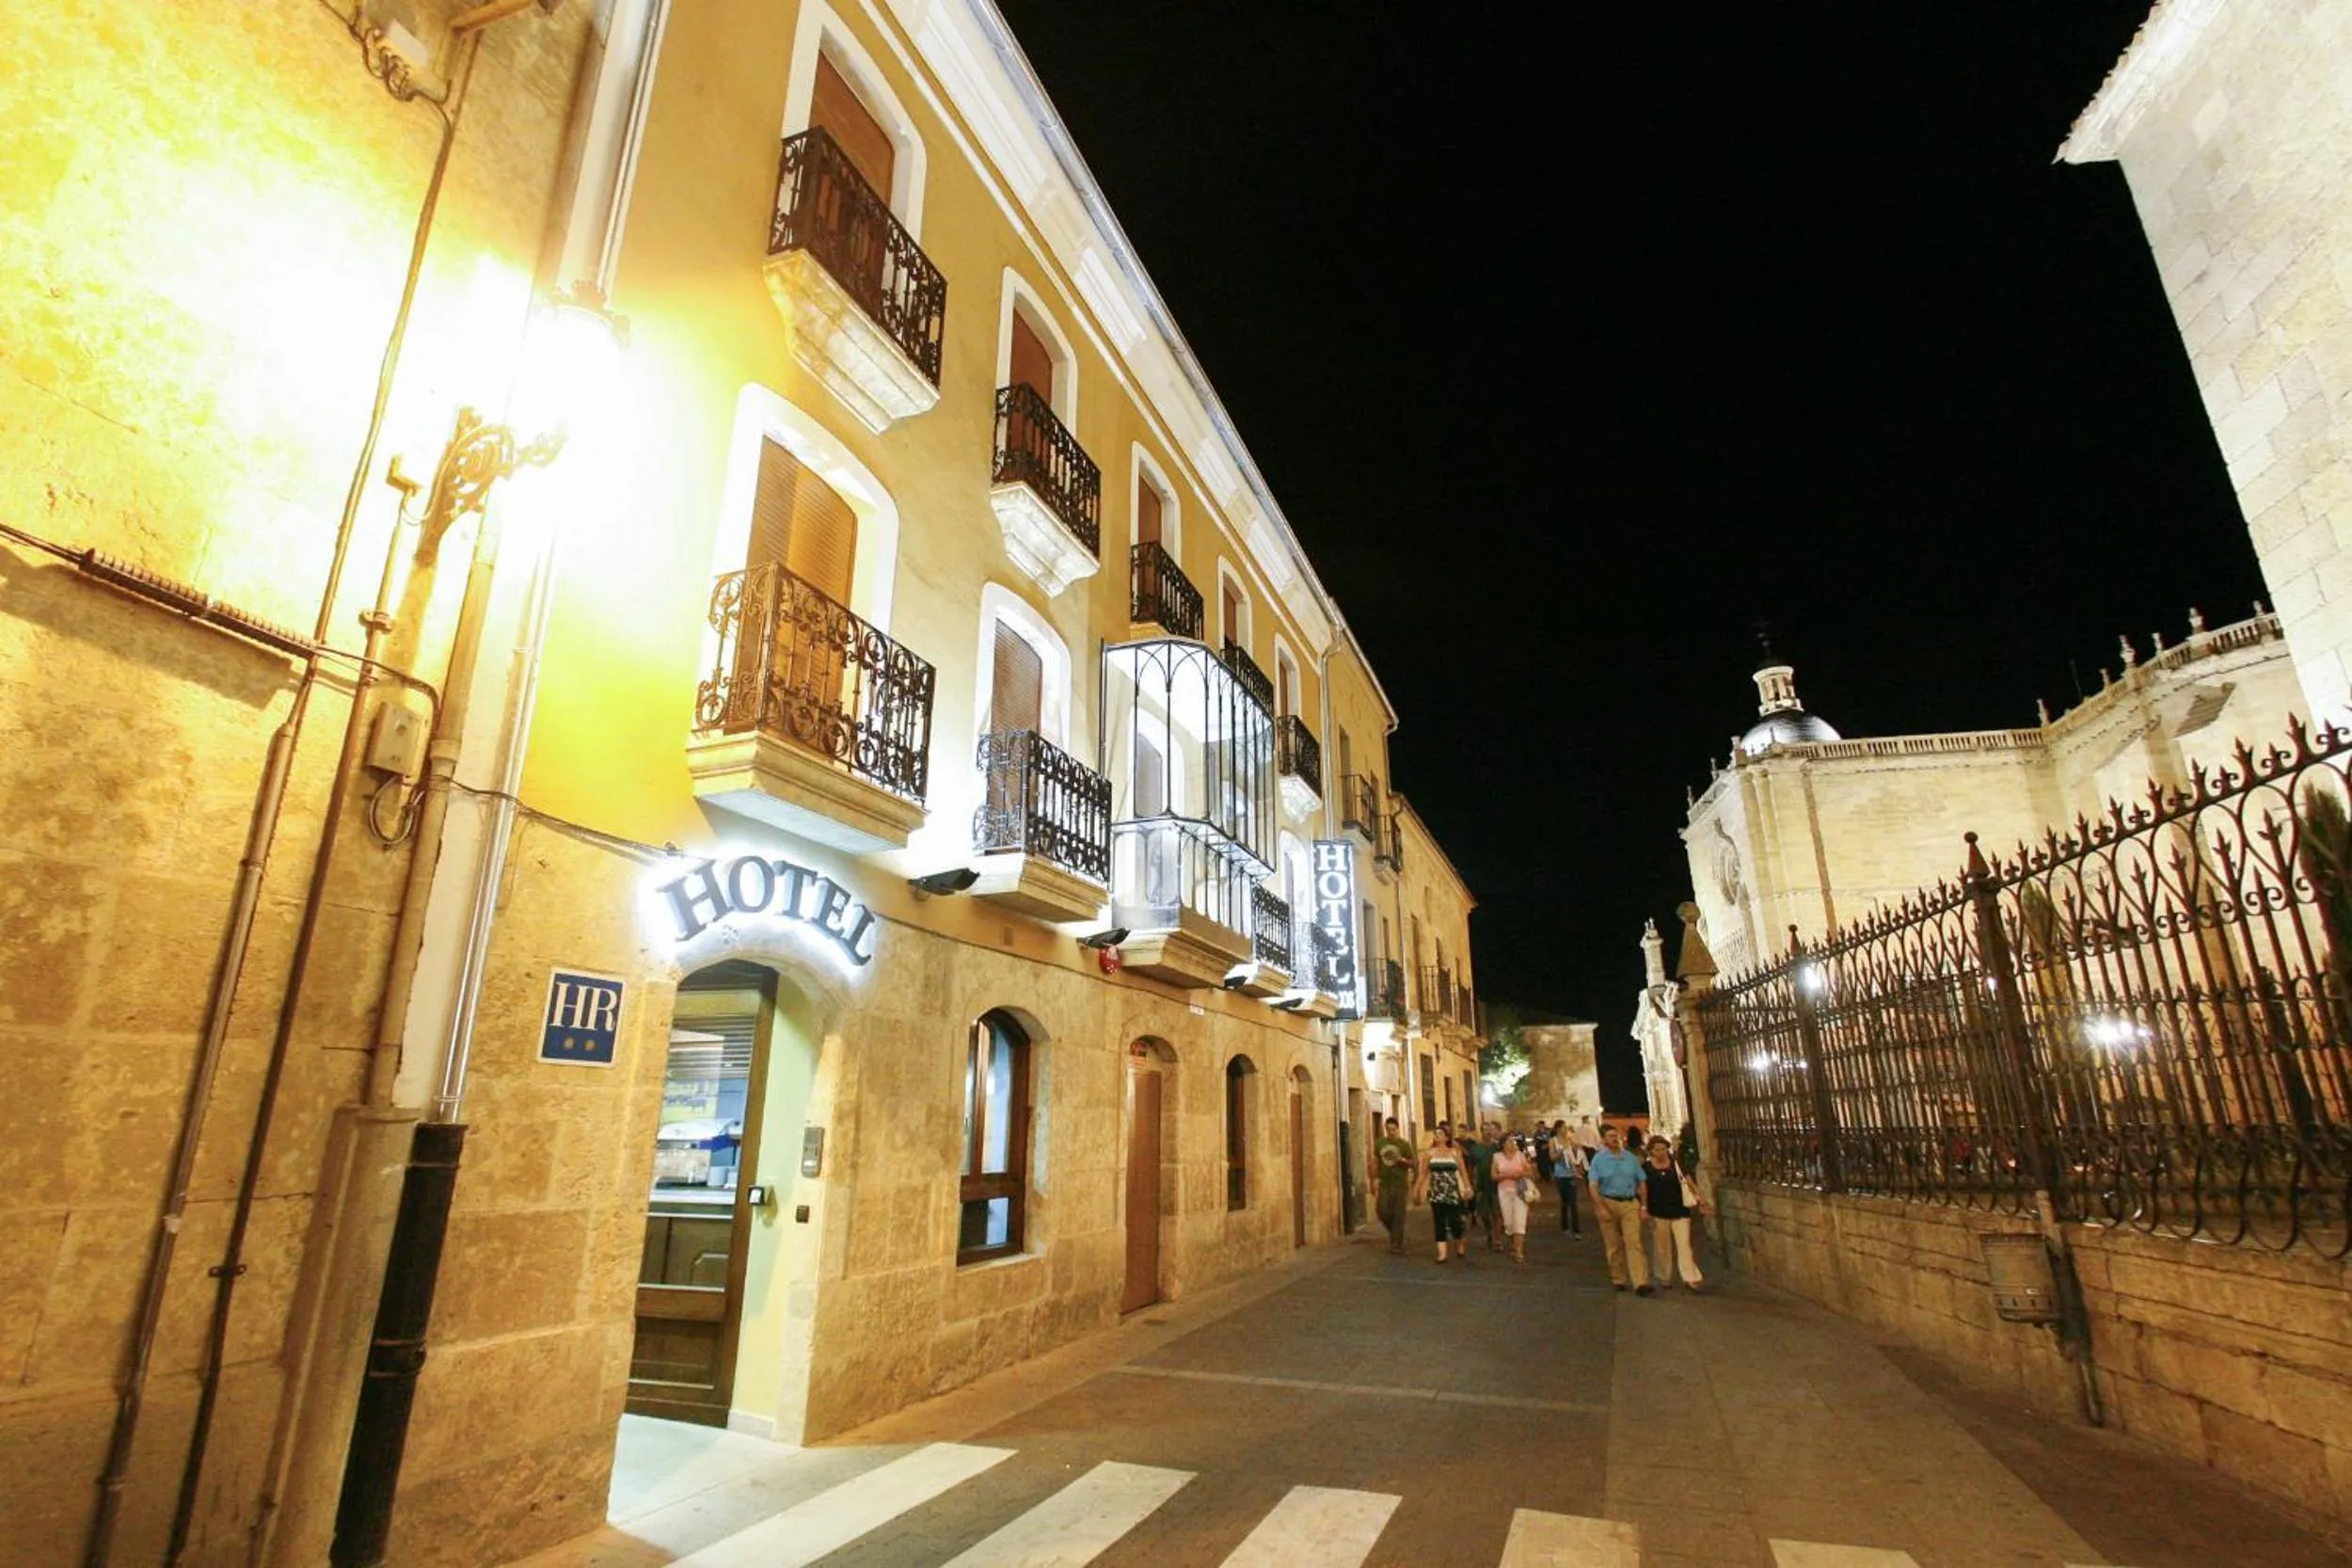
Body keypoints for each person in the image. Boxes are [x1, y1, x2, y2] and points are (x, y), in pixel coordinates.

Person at [1587, 1123, 1650, 1293]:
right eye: (1611, 1136)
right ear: (1604, 1140)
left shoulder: (1630, 1158)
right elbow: (1593, 1185)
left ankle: (1640, 1282)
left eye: (1616, 1136)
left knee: (1633, 1242)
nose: (1615, 1139)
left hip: (1630, 1202)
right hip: (1608, 1202)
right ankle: (1619, 1278)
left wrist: (1643, 1206)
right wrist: (1600, 1207)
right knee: (1614, 1244)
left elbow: (1642, 1182)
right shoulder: (1599, 1160)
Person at [1641, 1136, 1708, 1291]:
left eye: (1663, 1149)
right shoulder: (1646, 1168)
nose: (1661, 1152)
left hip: (1680, 1210)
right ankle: (1664, 1276)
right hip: (1658, 1211)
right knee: (1661, 1247)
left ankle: (1690, 1278)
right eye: (1657, 1149)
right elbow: (1643, 1188)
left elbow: (1688, 1181)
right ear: (1651, 1151)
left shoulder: (1676, 1164)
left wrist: (1700, 1197)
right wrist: (1644, 1208)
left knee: (1684, 1245)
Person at [1415, 1124, 1471, 1264]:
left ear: (1446, 1137)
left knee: (1455, 1222)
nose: (1437, 1136)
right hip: (1436, 1192)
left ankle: (1459, 1243)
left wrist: (1468, 1187)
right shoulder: (1429, 1154)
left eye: (1440, 1134)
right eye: (1436, 1134)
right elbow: (1423, 1174)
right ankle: (1442, 1253)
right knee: (1439, 1222)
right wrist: (1417, 1188)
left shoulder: (1454, 1152)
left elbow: (1463, 1172)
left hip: (1452, 1192)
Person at [1369, 1116, 1416, 1254]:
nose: (1391, 1132)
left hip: (1400, 1184)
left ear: (1398, 1129)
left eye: (1393, 1129)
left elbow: (1413, 1163)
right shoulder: (1380, 1143)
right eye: (1389, 1129)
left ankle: (1396, 1244)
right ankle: (1395, 1233)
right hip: (1384, 1183)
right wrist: (1374, 1178)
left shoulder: (1404, 1145)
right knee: (1381, 1211)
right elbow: (1376, 1162)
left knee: (1398, 1214)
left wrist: (1402, 1160)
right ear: (1385, 1129)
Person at [1490, 1132, 1536, 1263]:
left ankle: (1519, 1252)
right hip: (1504, 1192)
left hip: (1519, 1192)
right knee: (1509, 1223)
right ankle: (1514, 1245)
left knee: (1520, 1222)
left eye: (1514, 1142)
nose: (1513, 1144)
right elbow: (1493, 1175)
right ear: (1503, 1144)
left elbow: (1529, 1172)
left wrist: (1520, 1173)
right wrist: (1506, 1176)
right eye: (1510, 1142)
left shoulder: (1520, 1156)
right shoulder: (1497, 1157)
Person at [1459, 1122, 1497, 1253]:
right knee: (1484, 1212)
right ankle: (1489, 1231)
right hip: (1481, 1184)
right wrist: (1470, 1182)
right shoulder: (1476, 1148)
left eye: (1490, 1130)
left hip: (1496, 1183)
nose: (1488, 1132)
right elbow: (1471, 1165)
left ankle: (1496, 1237)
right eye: (1486, 1130)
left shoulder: (1497, 1147)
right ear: (1481, 1132)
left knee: (1496, 1211)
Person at [1549, 1120, 1583, 1236]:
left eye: (1566, 1127)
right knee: (1564, 1202)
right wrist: (1562, 1150)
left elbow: (1575, 1154)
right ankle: (1565, 1226)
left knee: (1573, 1202)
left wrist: (1577, 1147)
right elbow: (1552, 1157)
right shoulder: (1553, 1141)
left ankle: (1576, 1229)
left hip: (1571, 1174)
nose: (1566, 1129)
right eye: (1564, 1127)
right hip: (1560, 1174)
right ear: (1558, 1128)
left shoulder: (1569, 1140)